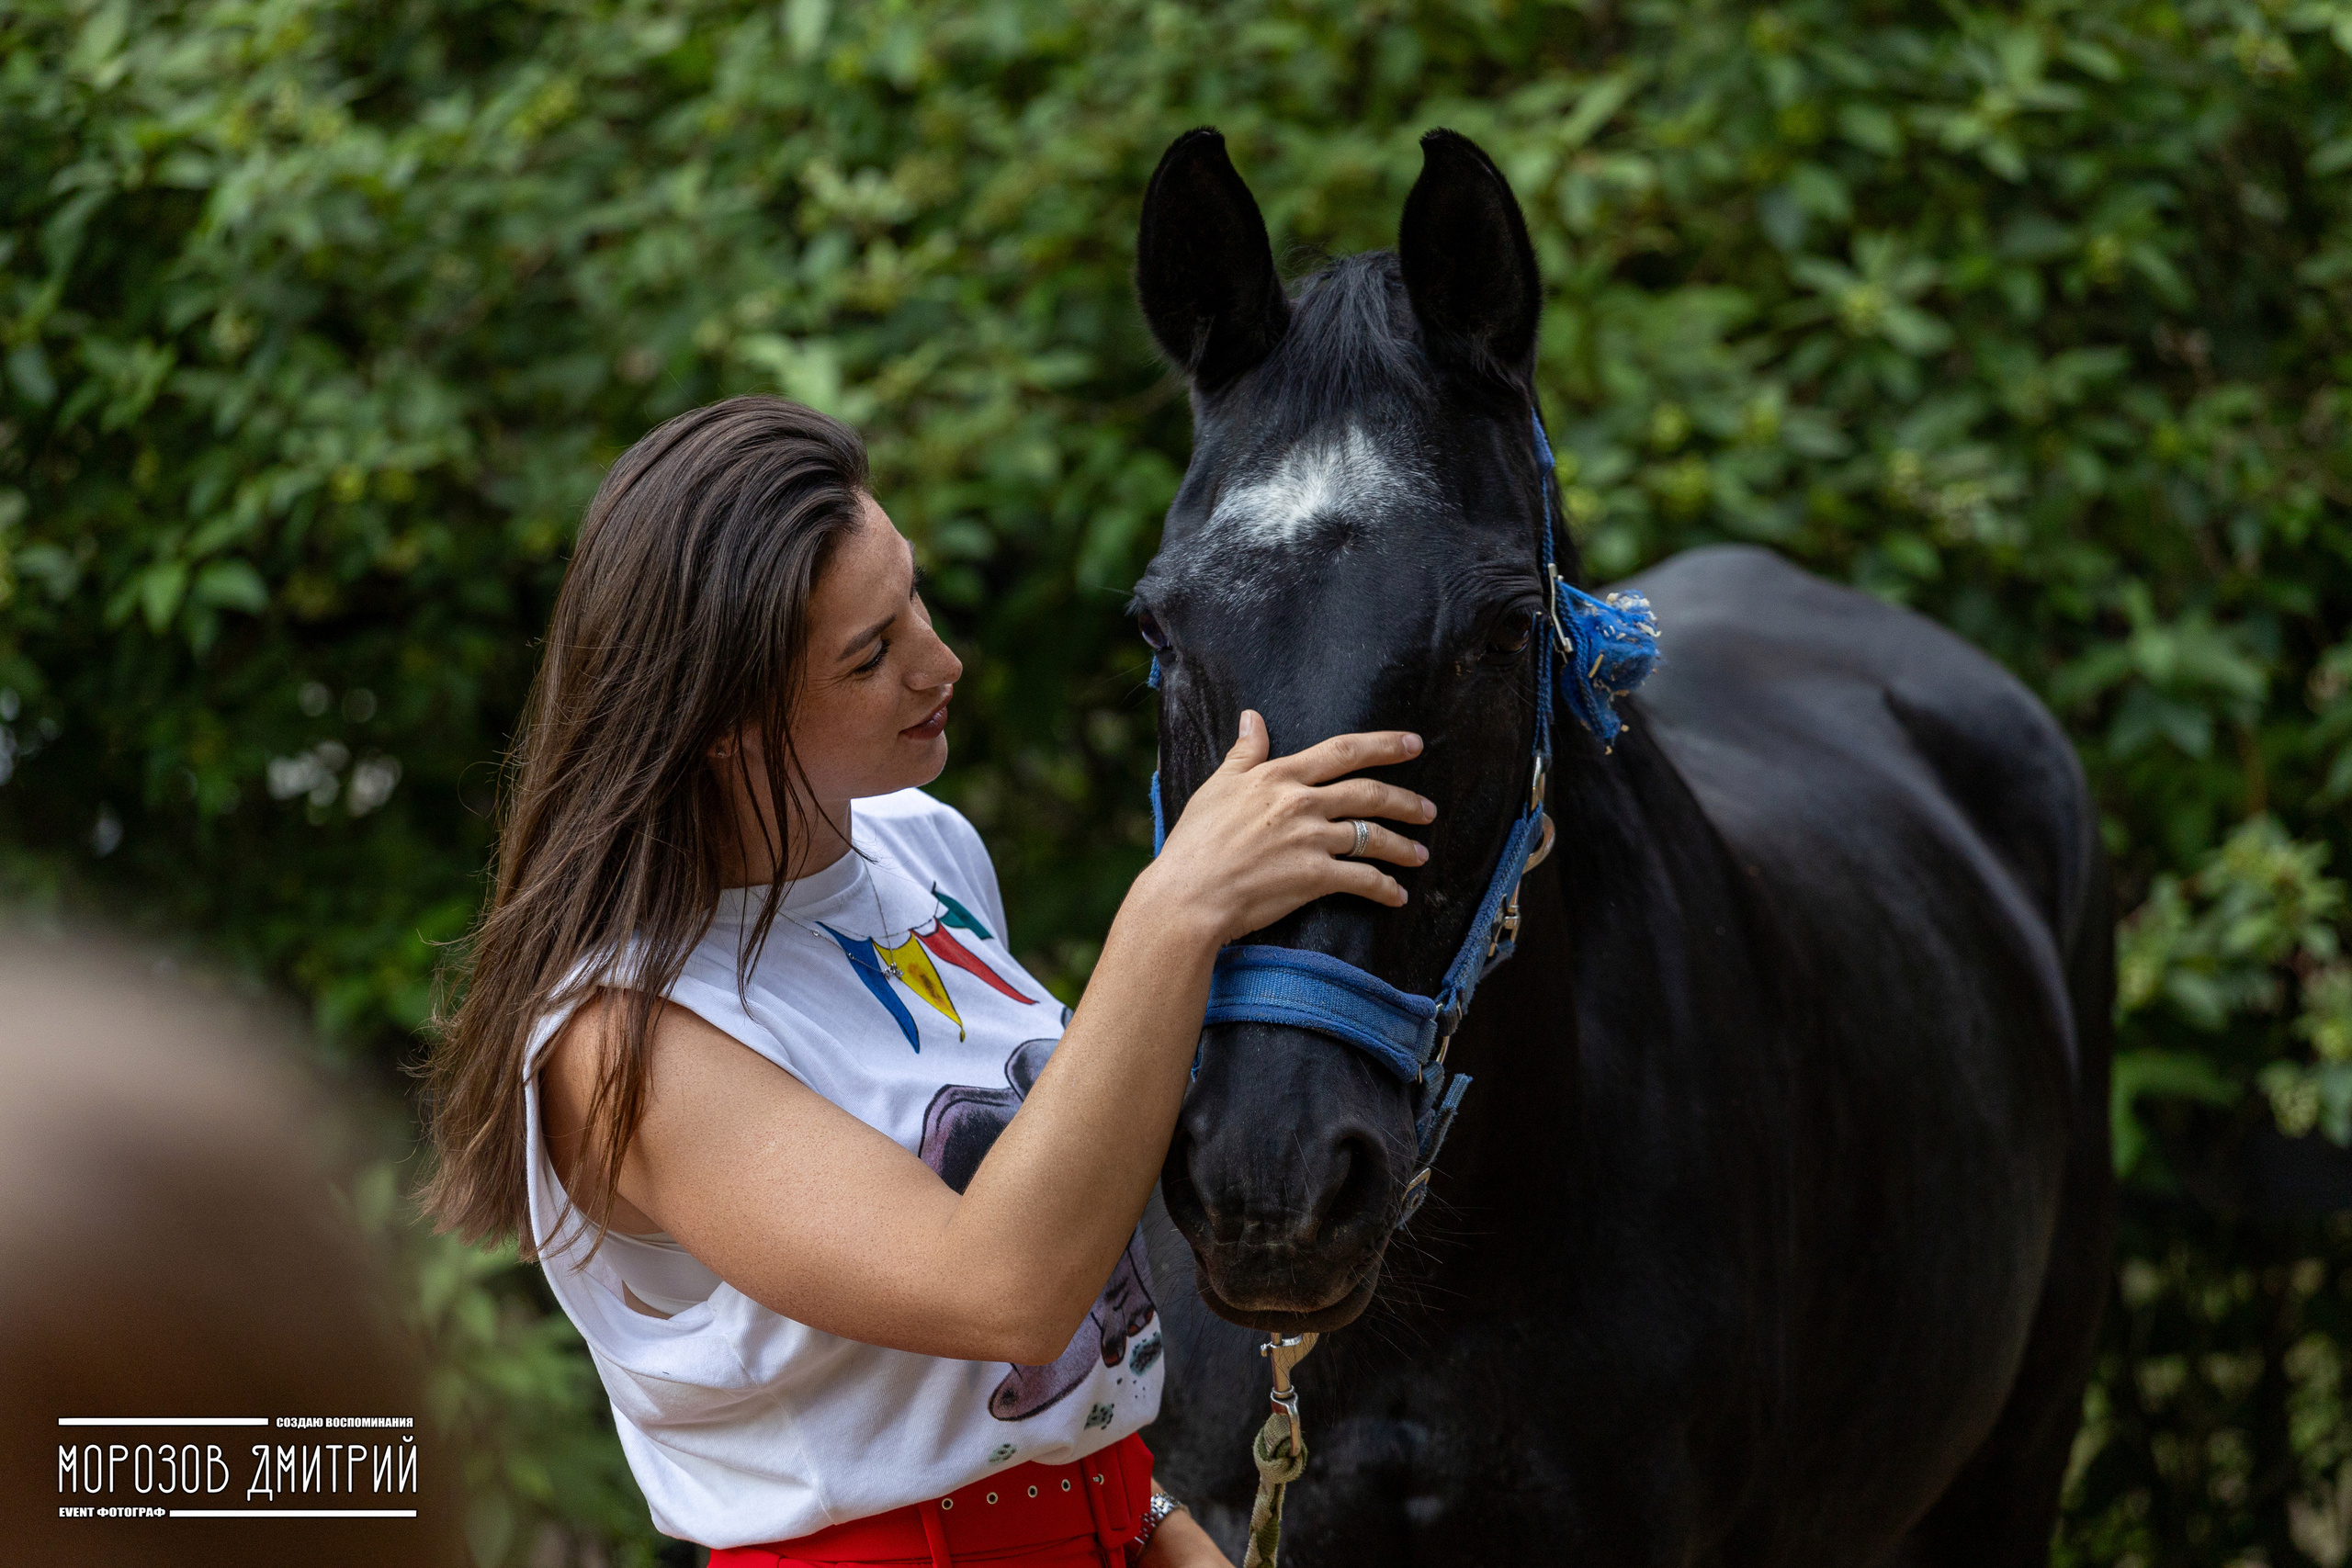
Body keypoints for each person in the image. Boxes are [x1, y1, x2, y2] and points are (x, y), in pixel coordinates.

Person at [415, 395, 1433, 1567]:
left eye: (914, 600)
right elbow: (1003, 1289)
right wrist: (1173, 912)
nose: (939, 663)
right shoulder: (625, 1039)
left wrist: (1152, 1526)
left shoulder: (922, 847)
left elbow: (1024, 1359)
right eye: (871, 655)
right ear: (720, 723)